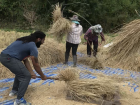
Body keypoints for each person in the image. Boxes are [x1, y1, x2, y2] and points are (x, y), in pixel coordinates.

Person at [0, 31, 52, 105]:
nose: (43, 42)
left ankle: (14, 91)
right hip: (10, 58)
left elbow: (25, 60)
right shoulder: (32, 46)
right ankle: (19, 100)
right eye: (43, 40)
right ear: (39, 39)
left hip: (4, 56)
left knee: (21, 73)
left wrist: (32, 72)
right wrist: (42, 75)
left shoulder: (24, 41)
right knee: (25, 76)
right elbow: (35, 64)